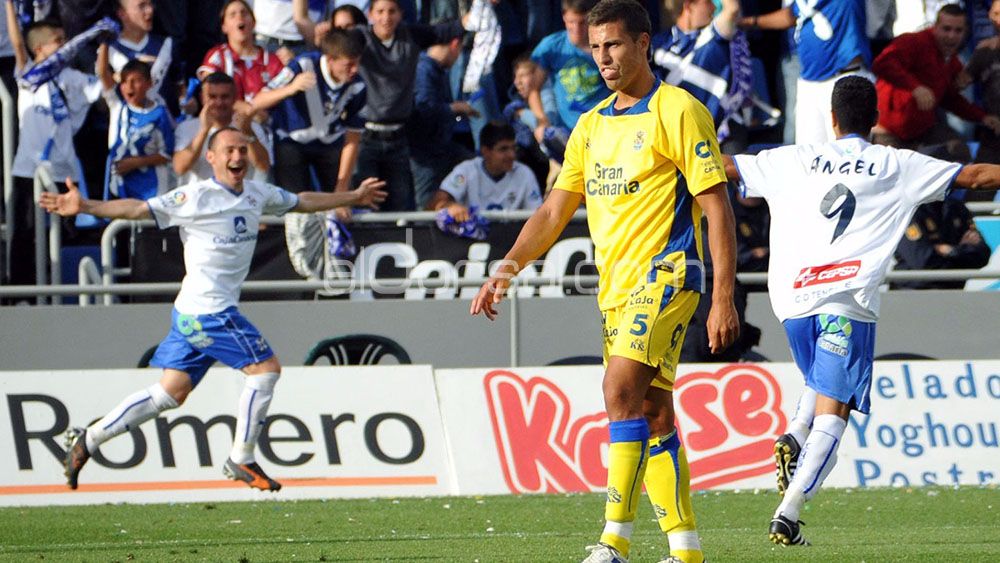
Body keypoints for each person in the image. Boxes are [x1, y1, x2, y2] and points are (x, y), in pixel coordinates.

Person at [471, 1, 739, 561]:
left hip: (668, 273)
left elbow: (716, 208)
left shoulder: (679, 110)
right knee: (653, 412)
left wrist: (722, 297)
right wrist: (506, 268)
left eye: (614, 45)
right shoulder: (589, 127)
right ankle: (686, 550)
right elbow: (551, 212)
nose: (603, 57)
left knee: (618, 392)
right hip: (615, 290)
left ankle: (613, 540)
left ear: (643, 44)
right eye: (595, 47)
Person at [722, 75, 1000, 546]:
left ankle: (793, 432)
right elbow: (973, 176)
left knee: (821, 384)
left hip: (789, 302)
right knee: (836, 411)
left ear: (831, 119)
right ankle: (789, 513)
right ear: (876, 119)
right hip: (844, 299)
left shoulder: (792, 158)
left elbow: (724, 166)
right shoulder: (895, 164)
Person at [42, 127, 388, 491]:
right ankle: (242, 457)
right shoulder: (196, 196)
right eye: (229, 151)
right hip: (210, 312)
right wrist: (86, 206)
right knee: (265, 370)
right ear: (212, 158)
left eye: (242, 150)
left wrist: (353, 195)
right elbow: (139, 209)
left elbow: (301, 201)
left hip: (191, 311)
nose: (237, 157)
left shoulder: (257, 194)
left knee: (168, 393)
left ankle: (89, 439)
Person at [6, 3, 103, 288]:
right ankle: (21, 290)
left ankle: (61, 285)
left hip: (64, 170)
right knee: (26, 231)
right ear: (39, 49)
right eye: (58, 42)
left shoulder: (70, 78)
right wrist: (10, 6)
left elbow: (102, 86)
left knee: (64, 231)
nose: (65, 47)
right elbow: (16, 42)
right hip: (29, 169)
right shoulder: (28, 76)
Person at [352, 0, 466, 211]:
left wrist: (481, 7)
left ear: (400, 14)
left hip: (399, 139)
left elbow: (448, 30)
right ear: (370, 14)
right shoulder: (359, 37)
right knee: (364, 203)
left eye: (392, 11)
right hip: (365, 137)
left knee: (400, 206)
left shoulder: (410, 34)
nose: (386, 17)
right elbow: (337, 44)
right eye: (380, 11)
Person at [871, 4, 1000, 160]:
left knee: (958, 151)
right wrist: (916, 88)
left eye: (958, 31)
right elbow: (882, 63)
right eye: (946, 29)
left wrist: (982, 117)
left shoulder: (952, 62)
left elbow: (952, 99)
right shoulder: (913, 42)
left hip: (922, 134)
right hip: (888, 133)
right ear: (935, 27)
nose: (951, 36)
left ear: (965, 32)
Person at [739, 0, 871, 144]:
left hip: (844, 77)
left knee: (845, 151)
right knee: (808, 153)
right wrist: (749, 22)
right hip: (809, 82)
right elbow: (790, 15)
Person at [651, 0, 746, 151]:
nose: (714, 7)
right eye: (708, 2)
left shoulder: (714, 33)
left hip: (722, 134)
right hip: (678, 136)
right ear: (689, 5)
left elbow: (732, 8)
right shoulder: (658, 44)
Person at [527, 0, 610, 148]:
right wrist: (541, 120)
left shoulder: (605, 44)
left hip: (602, 124)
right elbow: (533, 89)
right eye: (571, 22)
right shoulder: (552, 45)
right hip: (567, 129)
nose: (577, 28)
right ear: (564, 18)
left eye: (582, 22)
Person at [409, 36, 478, 208]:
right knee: (425, 207)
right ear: (454, 44)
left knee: (474, 165)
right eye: (460, 50)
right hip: (425, 152)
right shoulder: (424, 69)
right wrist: (456, 108)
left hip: (442, 146)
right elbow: (424, 107)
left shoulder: (438, 70)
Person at [426, 120, 541, 219]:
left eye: (513, 148)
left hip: (512, 239)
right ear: (485, 151)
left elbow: (538, 214)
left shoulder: (525, 173)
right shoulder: (467, 170)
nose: (512, 155)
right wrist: (449, 206)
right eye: (503, 149)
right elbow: (434, 204)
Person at [98, 56, 174, 201]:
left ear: (149, 84)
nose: (130, 86)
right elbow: (102, 73)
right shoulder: (118, 106)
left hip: (152, 189)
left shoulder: (159, 113)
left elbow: (167, 154)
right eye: (125, 81)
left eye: (136, 81)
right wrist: (105, 41)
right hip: (120, 187)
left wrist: (136, 162)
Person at [173, 72, 271, 185]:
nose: (219, 103)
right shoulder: (186, 128)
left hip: (239, 198)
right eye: (212, 97)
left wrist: (248, 133)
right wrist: (204, 131)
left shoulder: (252, 127)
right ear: (202, 98)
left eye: (225, 97)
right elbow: (180, 168)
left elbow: (263, 167)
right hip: (201, 198)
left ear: (234, 97)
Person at [197, 0, 285, 104]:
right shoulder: (218, 56)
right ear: (224, 27)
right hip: (228, 118)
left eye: (244, 13)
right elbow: (209, 94)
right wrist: (245, 110)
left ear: (254, 23)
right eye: (232, 15)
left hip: (265, 119)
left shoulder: (271, 60)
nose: (240, 17)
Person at [893, 197, 991, 289]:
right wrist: (961, 254)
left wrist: (950, 250)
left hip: (954, 291)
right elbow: (922, 261)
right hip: (912, 292)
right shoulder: (909, 211)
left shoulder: (956, 206)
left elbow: (982, 254)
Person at [109, 0, 180, 115]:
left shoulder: (167, 45)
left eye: (150, 4)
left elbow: (180, 87)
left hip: (167, 127)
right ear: (122, 13)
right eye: (142, 6)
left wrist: (187, 102)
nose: (150, 10)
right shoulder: (108, 53)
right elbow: (103, 100)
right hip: (128, 128)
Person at [964, 0, 1000, 165]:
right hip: (992, 134)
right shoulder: (984, 51)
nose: (999, 20)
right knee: (979, 187)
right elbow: (956, 85)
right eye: (996, 14)